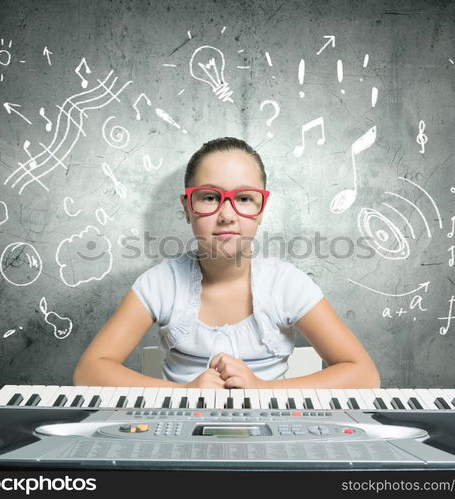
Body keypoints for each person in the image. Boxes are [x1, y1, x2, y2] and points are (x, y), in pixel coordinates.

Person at [73, 137, 380, 389]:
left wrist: (263, 388)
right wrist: (183, 392)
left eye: (244, 199)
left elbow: (364, 375)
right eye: (209, 197)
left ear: (261, 209)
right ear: (187, 207)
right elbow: (89, 371)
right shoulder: (160, 284)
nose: (227, 215)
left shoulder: (286, 284)